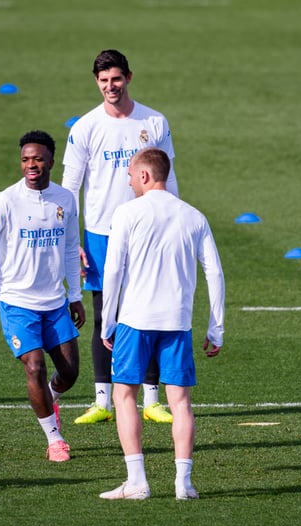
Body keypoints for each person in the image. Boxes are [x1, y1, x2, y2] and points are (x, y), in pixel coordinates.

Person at [98, 148, 225, 500]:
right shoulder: (194, 216)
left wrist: (107, 321)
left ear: (144, 175)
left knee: (124, 395)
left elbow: (113, 270)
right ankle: (184, 483)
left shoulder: (126, 213)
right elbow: (215, 273)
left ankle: (137, 482)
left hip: (134, 320)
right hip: (177, 322)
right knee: (180, 402)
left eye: (130, 174)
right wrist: (216, 327)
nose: (128, 181)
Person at [0, 130, 85, 463]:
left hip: (55, 303)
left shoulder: (66, 199)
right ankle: (54, 439)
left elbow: (71, 248)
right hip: (16, 302)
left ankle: (49, 400)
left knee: (70, 373)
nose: (31, 165)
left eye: (38, 159)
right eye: (25, 159)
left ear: (51, 162)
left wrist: (75, 295)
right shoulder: (6, 201)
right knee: (35, 366)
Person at [62, 49, 179, 425]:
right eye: (103, 81)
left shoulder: (154, 121)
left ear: (128, 77)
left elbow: (168, 177)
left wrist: (173, 222)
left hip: (149, 231)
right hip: (101, 234)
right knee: (103, 316)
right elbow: (70, 189)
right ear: (96, 82)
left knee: (150, 313)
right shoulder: (85, 128)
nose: (110, 86)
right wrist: (71, 242)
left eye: (115, 79)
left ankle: (152, 400)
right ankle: (102, 402)